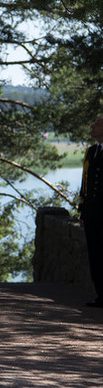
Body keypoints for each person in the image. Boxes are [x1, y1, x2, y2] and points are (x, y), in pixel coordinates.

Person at [79, 116, 103, 307]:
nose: (92, 127)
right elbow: (85, 184)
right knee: (95, 254)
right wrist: (82, 210)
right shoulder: (91, 152)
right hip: (92, 214)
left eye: (96, 125)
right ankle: (100, 294)